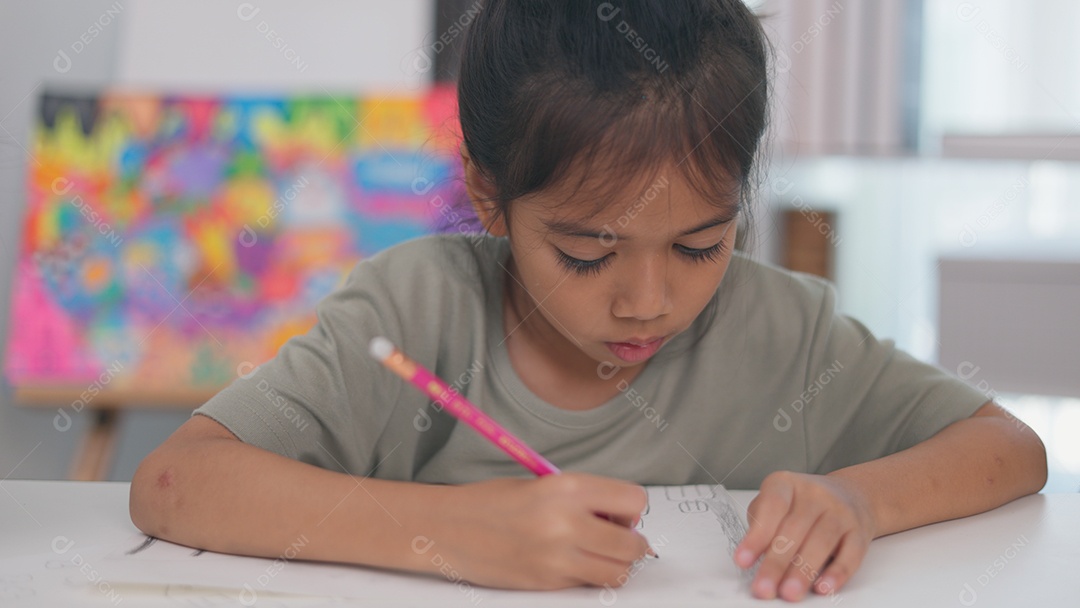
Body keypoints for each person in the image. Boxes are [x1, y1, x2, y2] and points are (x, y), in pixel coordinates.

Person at [130, 0, 1047, 601]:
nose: (648, 301)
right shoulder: (417, 310)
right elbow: (174, 485)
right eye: (585, 252)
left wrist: (857, 499)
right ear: (489, 196)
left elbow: (1011, 447)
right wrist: (456, 534)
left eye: (700, 245)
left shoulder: (784, 331)